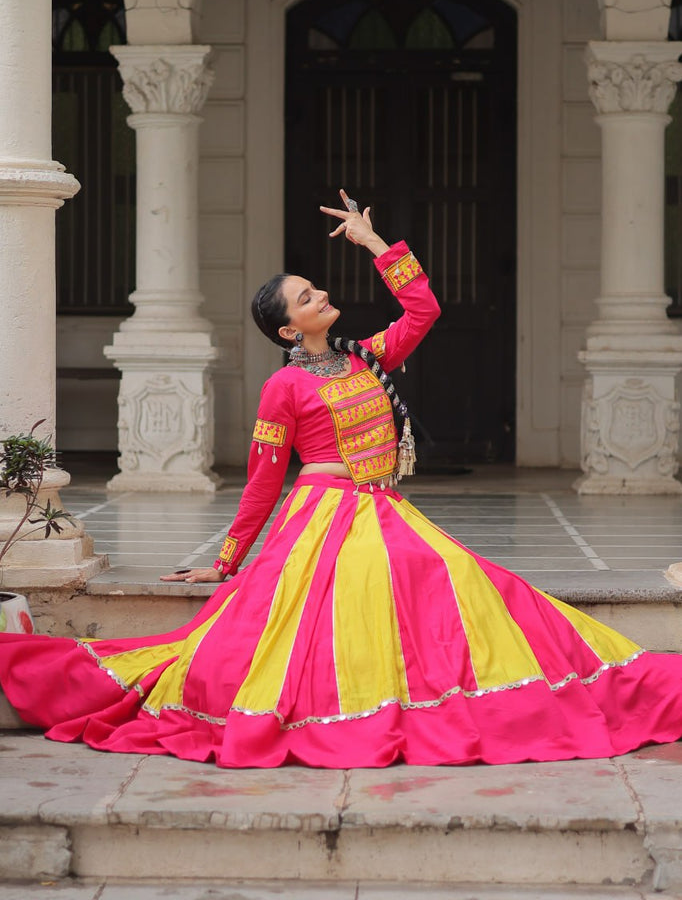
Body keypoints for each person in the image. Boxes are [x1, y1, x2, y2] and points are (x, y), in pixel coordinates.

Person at [0, 191, 681, 769]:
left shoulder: (366, 358)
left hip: (384, 508)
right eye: (304, 296)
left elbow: (424, 311)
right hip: (323, 519)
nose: (320, 293)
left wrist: (373, 240)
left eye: (315, 288)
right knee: (389, 589)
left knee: (471, 584)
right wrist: (227, 561)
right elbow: (265, 483)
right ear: (285, 327)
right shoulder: (285, 387)